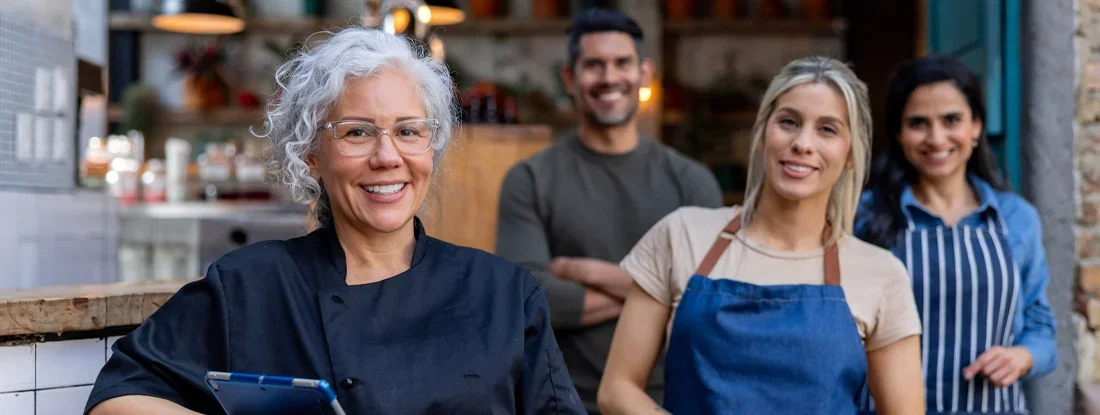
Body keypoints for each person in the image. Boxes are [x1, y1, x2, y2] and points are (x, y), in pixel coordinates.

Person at [84, 27, 584, 415]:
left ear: (431, 147)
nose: (388, 156)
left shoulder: (503, 295)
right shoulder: (253, 287)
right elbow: (118, 398)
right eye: (357, 132)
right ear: (311, 156)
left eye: (408, 131)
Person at [597, 56, 926, 415]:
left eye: (827, 129)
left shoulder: (880, 273)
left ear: (850, 154)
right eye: (788, 122)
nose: (802, 143)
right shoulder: (682, 235)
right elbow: (617, 389)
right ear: (762, 132)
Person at [494, 8, 723, 413]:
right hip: (560, 401)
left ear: (645, 73)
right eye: (594, 65)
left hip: (669, 403)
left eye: (622, 63)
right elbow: (527, 297)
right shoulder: (529, 179)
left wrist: (585, 273)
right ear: (570, 78)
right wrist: (663, 291)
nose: (609, 78)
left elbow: (709, 304)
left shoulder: (691, 182)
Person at [855, 55, 1057, 414]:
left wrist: (1022, 356)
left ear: (976, 126)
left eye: (952, 120)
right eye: (918, 123)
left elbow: (1041, 327)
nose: (936, 138)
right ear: (898, 133)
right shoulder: (865, 217)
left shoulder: (1017, 218)